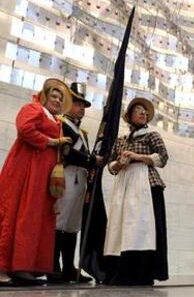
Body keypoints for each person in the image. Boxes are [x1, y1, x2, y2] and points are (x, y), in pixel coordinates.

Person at [0, 78, 72, 285]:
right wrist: (52, 141)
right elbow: (25, 129)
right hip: (25, 170)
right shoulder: (34, 109)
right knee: (15, 213)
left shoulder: (55, 120)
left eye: (61, 98)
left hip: (42, 175)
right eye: (54, 96)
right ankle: (3, 266)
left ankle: (23, 266)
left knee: (33, 218)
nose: (58, 101)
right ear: (44, 96)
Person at [103, 97, 169, 285]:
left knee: (143, 227)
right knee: (123, 226)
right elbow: (111, 166)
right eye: (138, 109)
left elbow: (163, 158)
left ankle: (142, 273)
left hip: (146, 184)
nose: (143, 113)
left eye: (145, 111)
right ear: (130, 114)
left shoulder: (152, 135)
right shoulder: (121, 140)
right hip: (124, 185)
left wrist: (138, 156)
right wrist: (119, 163)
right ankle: (120, 271)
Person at [48, 83, 104, 283]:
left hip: (80, 178)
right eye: (78, 104)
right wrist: (90, 161)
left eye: (83, 105)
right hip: (66, 174)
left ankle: (69, 268)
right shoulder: (60, 122)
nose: (82, 109)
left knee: (73, 224)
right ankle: (53, 266)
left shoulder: (83, 132)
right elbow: (66, 151)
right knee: (60, 221)